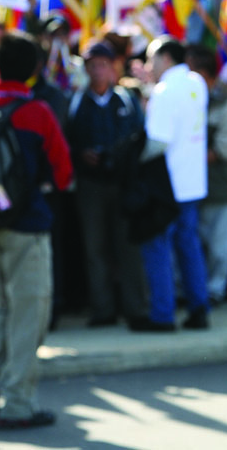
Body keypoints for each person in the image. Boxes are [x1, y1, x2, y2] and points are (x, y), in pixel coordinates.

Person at [0, 30, 72, 427]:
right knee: (30, 312)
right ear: (33, 70)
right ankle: (18, 402)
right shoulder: (37, 113)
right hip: (27, 225)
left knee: (1, 304)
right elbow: (63, 171)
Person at [65, 40, 150, 329]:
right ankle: (102, 309)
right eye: (92, 65)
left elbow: (140, 138)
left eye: (103, 64)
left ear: (113, 67)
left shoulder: (126, 100)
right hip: (90, 185)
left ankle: (136, 309)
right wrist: (81, 154)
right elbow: (68, 141)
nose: (98, 70)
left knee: (128, 247)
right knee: (95, 248)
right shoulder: (76, 102)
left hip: (123, 183)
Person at [139, 36, 211, 330]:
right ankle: (199, 308)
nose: (148, 66)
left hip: (166, 182)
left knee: (157, 246)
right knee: (189, 245)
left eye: (151, 59)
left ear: (165, 58)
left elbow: (157, 142)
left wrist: (134, 161)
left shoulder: (165, 90)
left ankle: (162, 314)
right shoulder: (197, 82)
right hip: (192, 180)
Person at [185, 45, 227, 305]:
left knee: (217, 245)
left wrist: (185, 157)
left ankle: (214, 290)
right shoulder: (191, 99)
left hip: (220, 186)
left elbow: (226, 147)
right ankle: (193, 289)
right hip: (191, 186)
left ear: (203, 73)